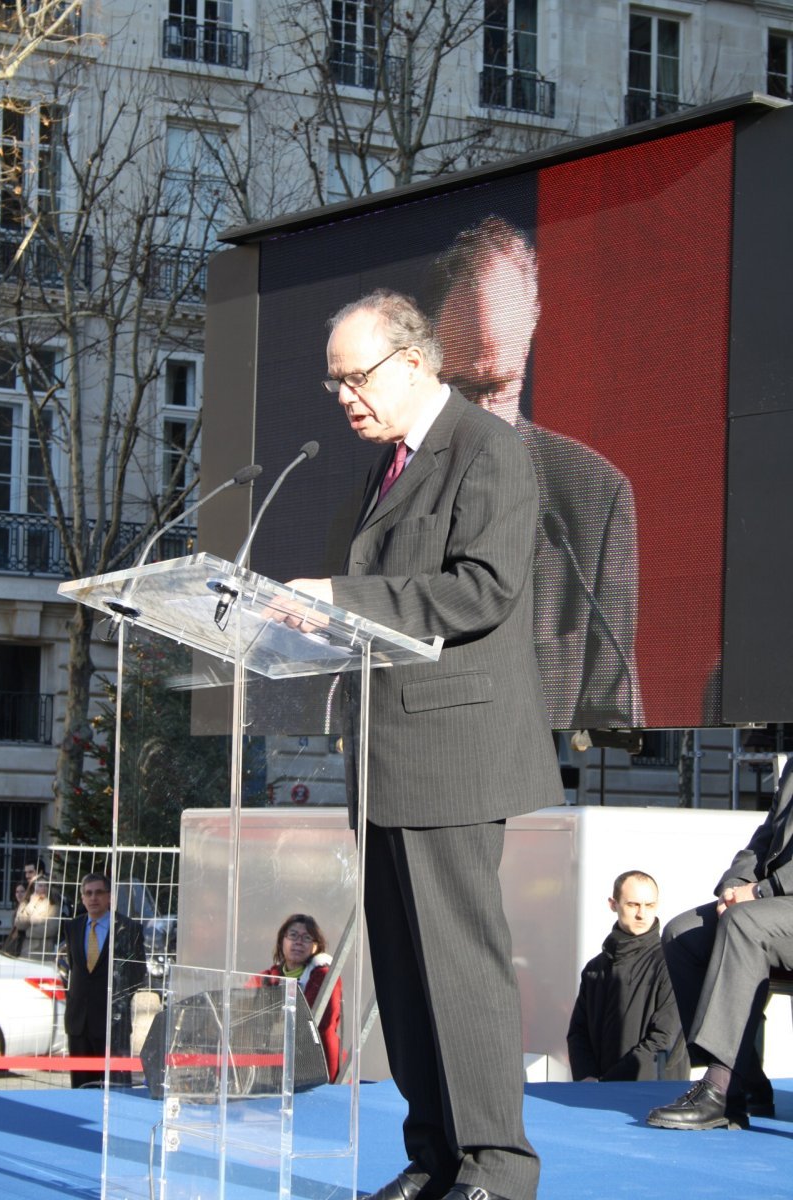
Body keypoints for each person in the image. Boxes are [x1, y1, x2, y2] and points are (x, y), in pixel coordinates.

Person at [272, 290, 564, 1200]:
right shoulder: (389, 465)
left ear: (411, 361)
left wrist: (340, 600)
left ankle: (497, 1167)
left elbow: (481, 590)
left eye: (353, 378)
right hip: (387, 750)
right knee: (402, 971)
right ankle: (435, 1153)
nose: (344, 397)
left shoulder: (488, 450)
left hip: (454, 750)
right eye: (334, 384)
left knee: (460, 968)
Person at [426, 215, 644, 730]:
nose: (481, 423)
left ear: (533, 322)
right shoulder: (376, 501)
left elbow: (613, 705)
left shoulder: (592, 496)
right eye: (463, 393)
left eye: (497, 391)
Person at [646, 757, 793, 1130]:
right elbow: (765, 837)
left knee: (743, 923)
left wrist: (761, 891)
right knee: (682, 935)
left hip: (778, 899)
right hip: (778, 902)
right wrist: (735, 884)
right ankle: (745, 1082)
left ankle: (719, 1089)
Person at [567, 870, 687, 1082]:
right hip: (596, 1093)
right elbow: (578, 1033)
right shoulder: (595, 969)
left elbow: (665, 1040)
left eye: (649, 905)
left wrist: (609, 1083)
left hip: (652, 1095)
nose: (642, 914)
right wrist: (587, 1078)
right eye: (633, 905)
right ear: (613, 904)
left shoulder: (671, 963)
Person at [63, 872, 146, 1089]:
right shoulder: (73, 927)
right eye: (88, 893)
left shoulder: (128, 929)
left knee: (114, 1090)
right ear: (82, 898)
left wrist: (116, 1000)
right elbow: (76, 969)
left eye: (99, 892)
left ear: (110, 896)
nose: (93, 898)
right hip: (78, 1024)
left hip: (112, 1023)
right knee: (81, 1090)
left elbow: (137, 974)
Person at [246, 913, 342, 1082]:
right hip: (276, 1064)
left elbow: (316, 1023)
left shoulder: (325, 975)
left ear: (316, 946)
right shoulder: (271, 976)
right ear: (281, 940)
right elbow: (251, 1017)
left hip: (315, 1064)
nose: (299, 941)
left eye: (307, 937)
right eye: (293, 935)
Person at [13, 875, 62, 959]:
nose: (43, 888)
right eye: (40, 885)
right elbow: (19, 924)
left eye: (46, 885)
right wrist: (31, 905)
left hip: (44, 949)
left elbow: (51, 929)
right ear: (35, 887)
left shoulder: (53, 906)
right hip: (26, 949)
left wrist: (28, 931)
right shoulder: (26, 903)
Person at [2, 881, 27, 956]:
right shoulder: (18, 907)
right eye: (17, 892)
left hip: (21, 942)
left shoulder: (27, 907)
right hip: (14, 940)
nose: (19, 894)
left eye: (22, 891)